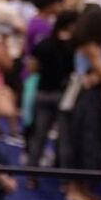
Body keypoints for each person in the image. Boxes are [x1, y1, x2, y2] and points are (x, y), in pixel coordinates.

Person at [60, 5, 101, 200]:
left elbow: (99, 76)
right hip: (84, 101)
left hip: (89, 98)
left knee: (88, 143)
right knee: (81, 143)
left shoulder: (90, 45)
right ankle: (74, 190)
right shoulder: (90, 46)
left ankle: (82, 189)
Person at [25, 10, 77, 170]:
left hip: (43, 92)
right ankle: (64, 178)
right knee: (64, 139)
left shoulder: (44, 43)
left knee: (39, 136)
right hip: (63, 95)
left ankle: (31, 174)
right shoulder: (74, 46)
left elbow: (32, 67)